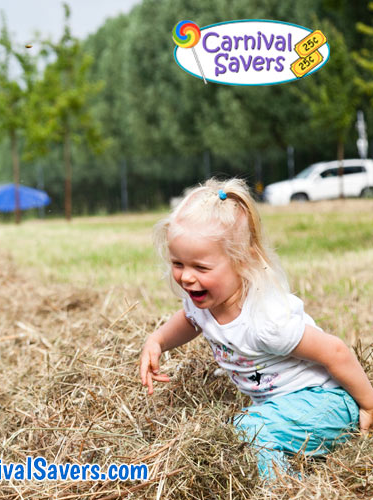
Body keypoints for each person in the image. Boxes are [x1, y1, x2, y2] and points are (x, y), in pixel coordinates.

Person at [139, 178, 373, 479]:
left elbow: (336, 352)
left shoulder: (265, 321)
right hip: (286, 410)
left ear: (242, 260)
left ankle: (286, 490)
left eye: (201, 267)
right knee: (247, 431)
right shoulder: (205, 304)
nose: (186, 277)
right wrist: (157, 340)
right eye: (178, 263)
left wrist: (368, 405)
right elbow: (189, 320)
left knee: (246, 431)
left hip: (328, 405)